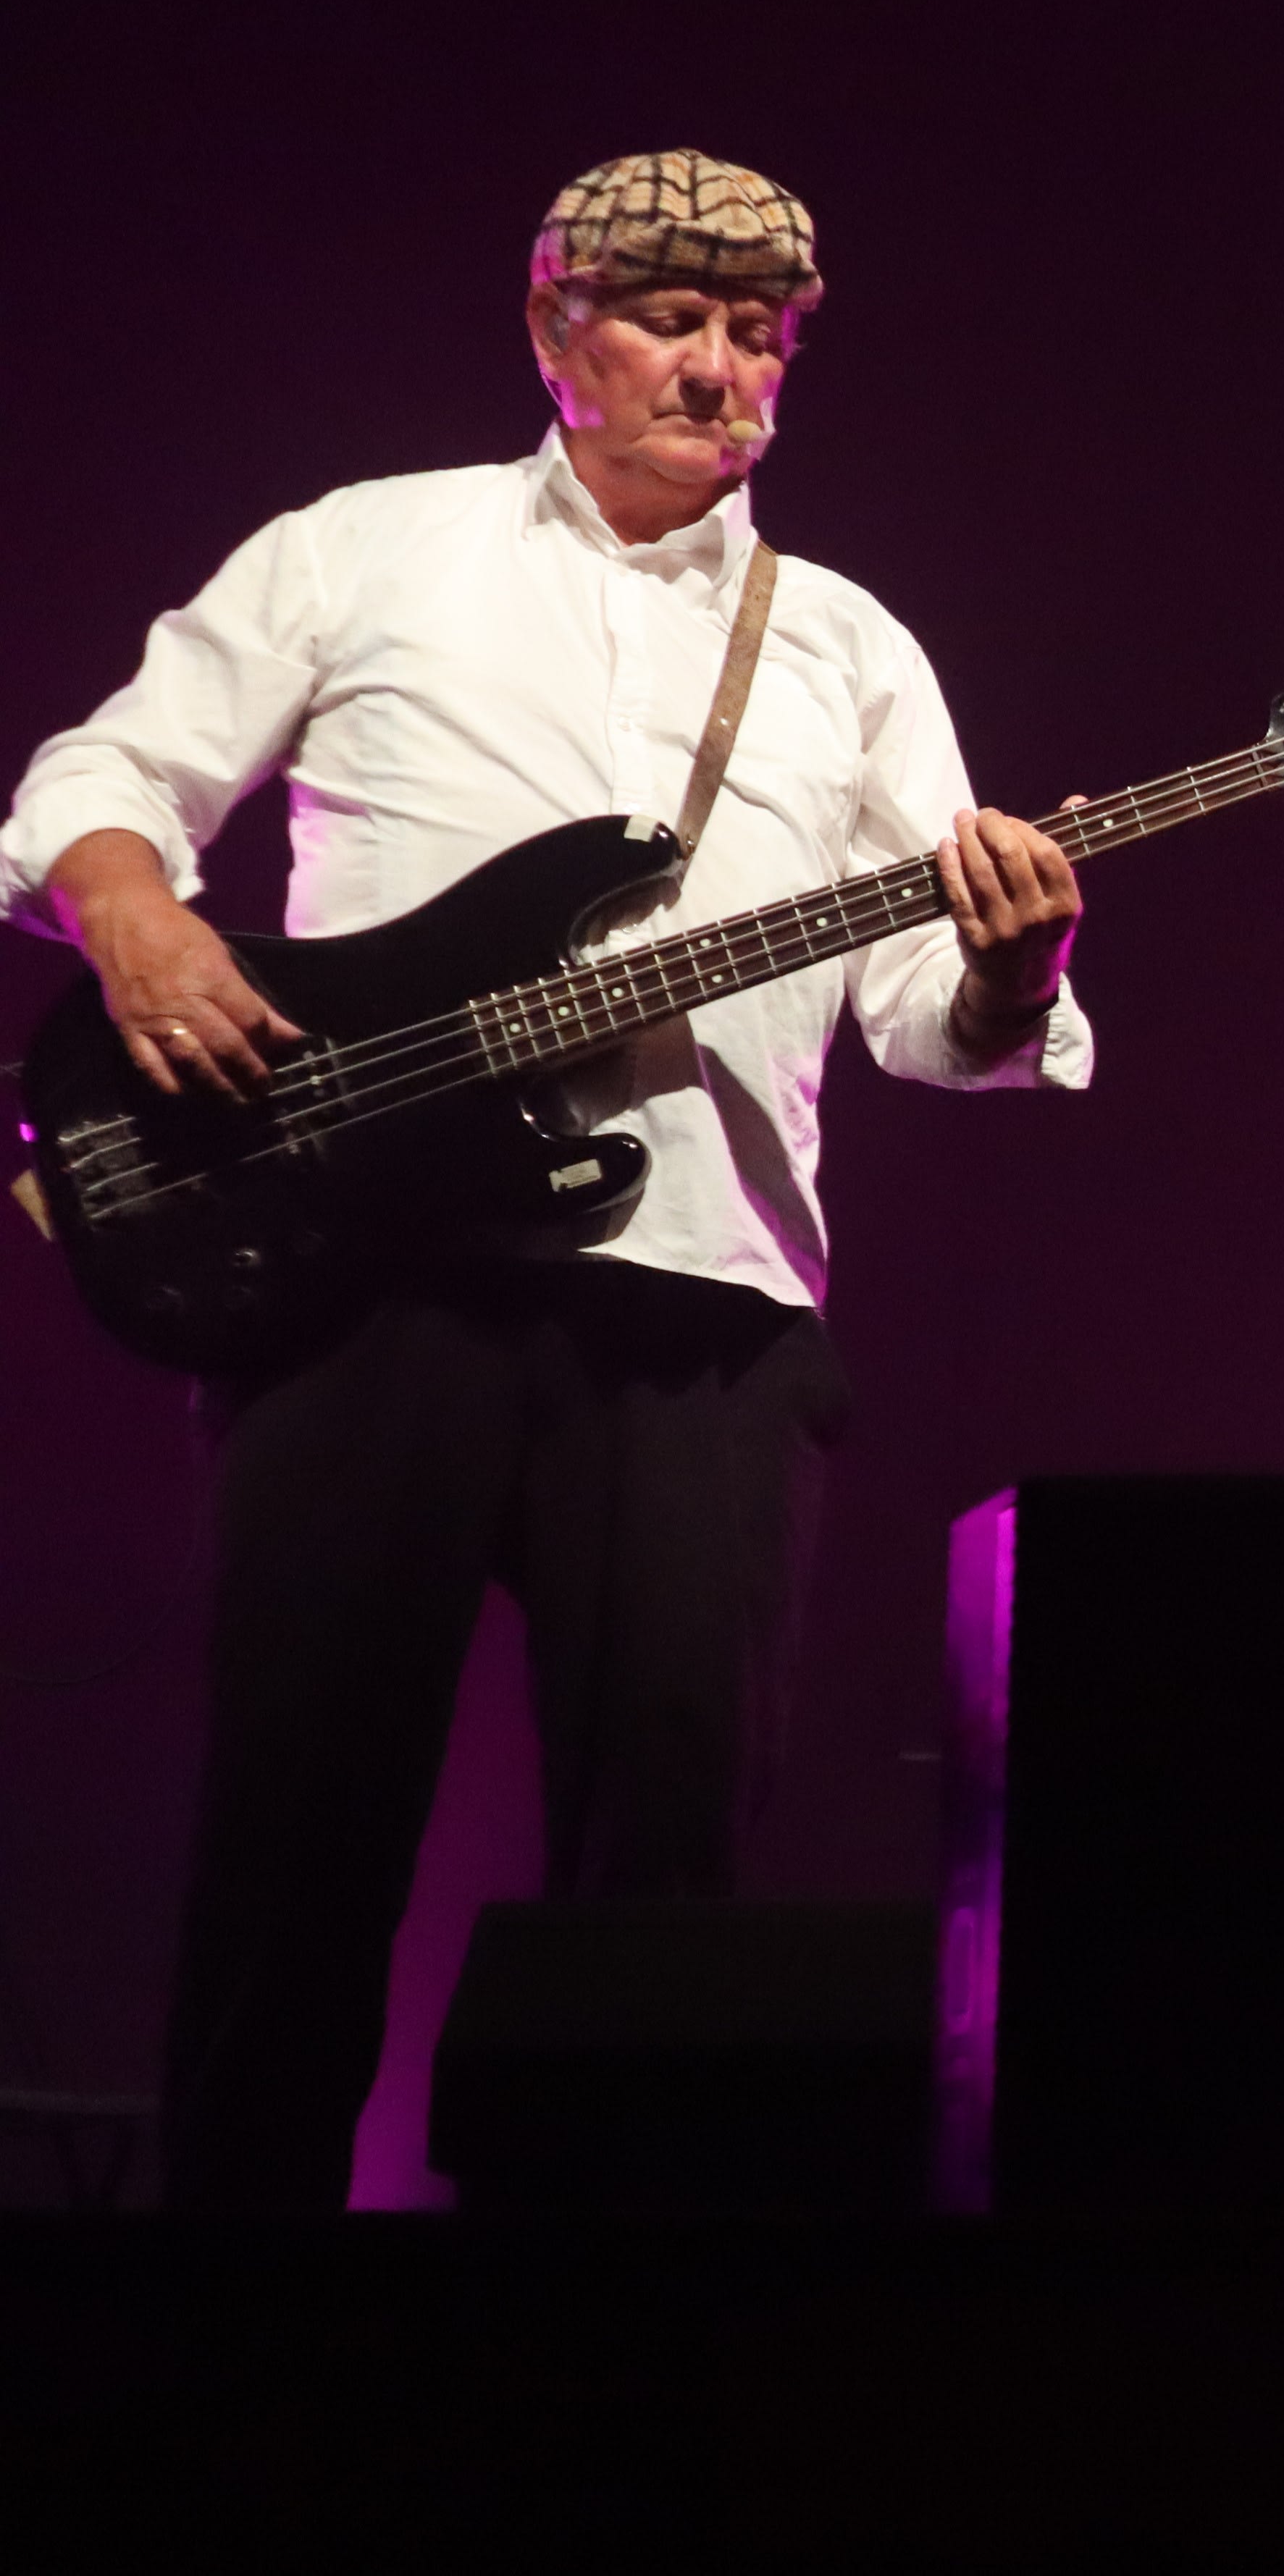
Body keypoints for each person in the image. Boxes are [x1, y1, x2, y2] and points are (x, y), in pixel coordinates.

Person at [0, 149, 1091, 2208]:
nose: (719, 367)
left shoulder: (847, 642)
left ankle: (610, 2324)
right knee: (298, 1838)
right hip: (360, 1280)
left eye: (757, 334)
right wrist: (137, 918)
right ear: (553, 330)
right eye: (671, 320)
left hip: (705, 1303)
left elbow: (915, 1019)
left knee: (663, 1874)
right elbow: (104, 771)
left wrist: (1010, 968)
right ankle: (225, 2322)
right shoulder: (368, 549)